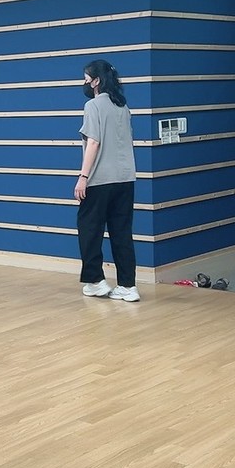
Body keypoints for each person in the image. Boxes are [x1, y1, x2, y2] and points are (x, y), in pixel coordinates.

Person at [75, 59, 139, 302]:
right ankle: (128, 286)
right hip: (125, 178)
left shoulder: (93, 106)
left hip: (100, 179)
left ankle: (95, 281)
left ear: (96, 81)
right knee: (122, 232)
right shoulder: (123, 107)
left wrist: (83, 177)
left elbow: (93, 142)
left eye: (86, 79)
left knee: (89, 230)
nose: (84, 83)